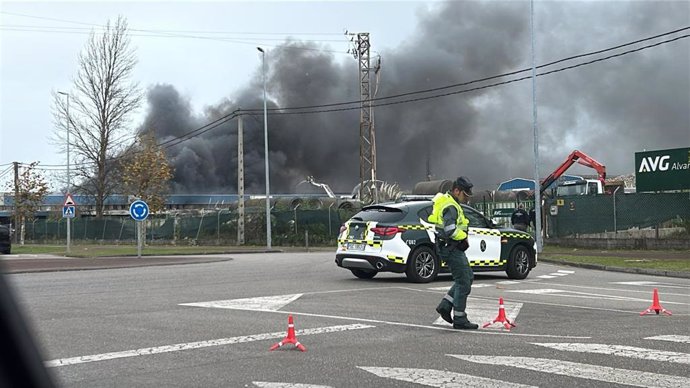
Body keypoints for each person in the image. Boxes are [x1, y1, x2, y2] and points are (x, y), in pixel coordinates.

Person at [429, 176, 479, 330]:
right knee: (464, 281)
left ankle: (445, 305)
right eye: (465, 194)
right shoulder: (451, 206)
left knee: (467, 277)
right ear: (456, 190)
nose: (467, 198)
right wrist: (463, 237)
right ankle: (460, 318)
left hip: (451, 247)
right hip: (452, 248)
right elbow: (450, 229)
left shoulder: (450, 202)